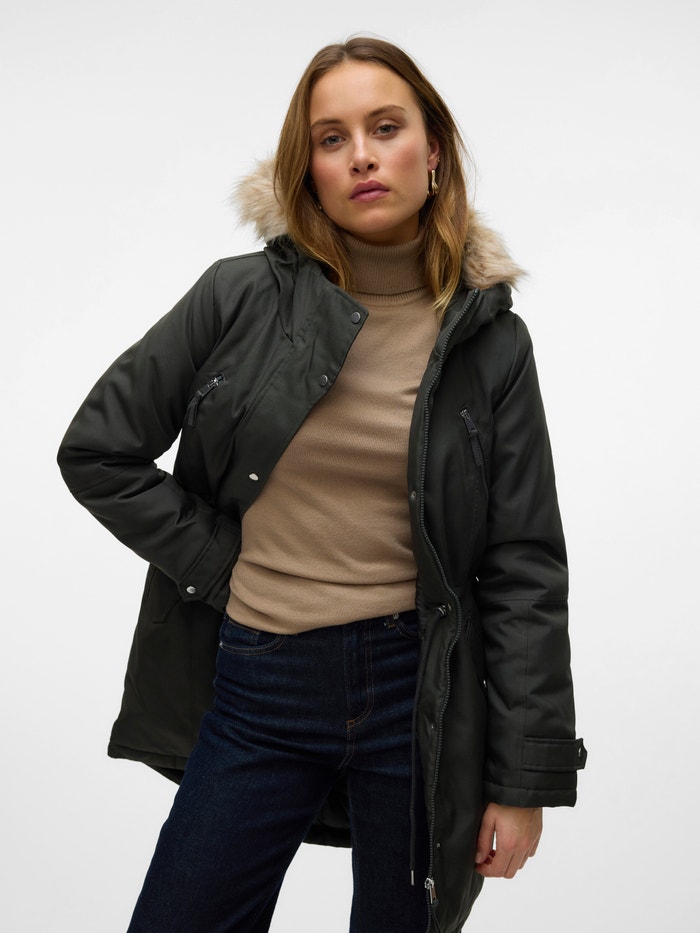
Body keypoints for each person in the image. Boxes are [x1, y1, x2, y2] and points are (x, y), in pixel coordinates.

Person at [58, 36, 586, 933]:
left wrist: (524, 779)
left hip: (420, 695)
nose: (362, 156)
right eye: (332, 139)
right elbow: (97, 451)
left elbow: (523, 564)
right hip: (260, 682)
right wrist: (224, 564)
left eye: (386, 128)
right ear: (307, 171)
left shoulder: (492, 341)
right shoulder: (238, 298)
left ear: (434, 150)